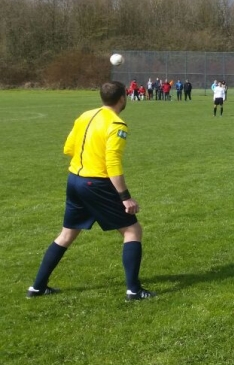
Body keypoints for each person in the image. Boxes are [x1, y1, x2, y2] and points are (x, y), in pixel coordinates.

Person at [27, 81, 155, 301]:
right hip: (96, 184)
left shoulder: (85, 116)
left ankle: (37, 287)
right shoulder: (116, 124)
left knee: (66, 234)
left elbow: (68, 148)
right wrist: (125, 197)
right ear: (122, 98)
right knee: (132, 231)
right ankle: (134, 291)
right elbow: (112, 162)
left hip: (74, 180)